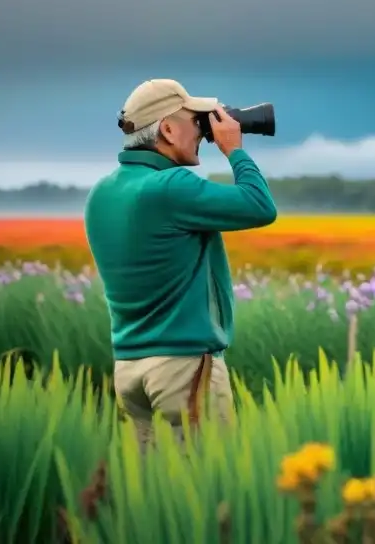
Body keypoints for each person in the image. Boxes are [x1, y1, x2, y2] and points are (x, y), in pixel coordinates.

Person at [84, 78, 278, 448]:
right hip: (181, 370)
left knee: (156, 496)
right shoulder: (171, 186)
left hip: (130, 370)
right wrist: (234, 150)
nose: (203, 131)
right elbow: (260, 206)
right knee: (207, 491)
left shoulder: (103, 192)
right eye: (196, 121)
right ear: (169, 130)